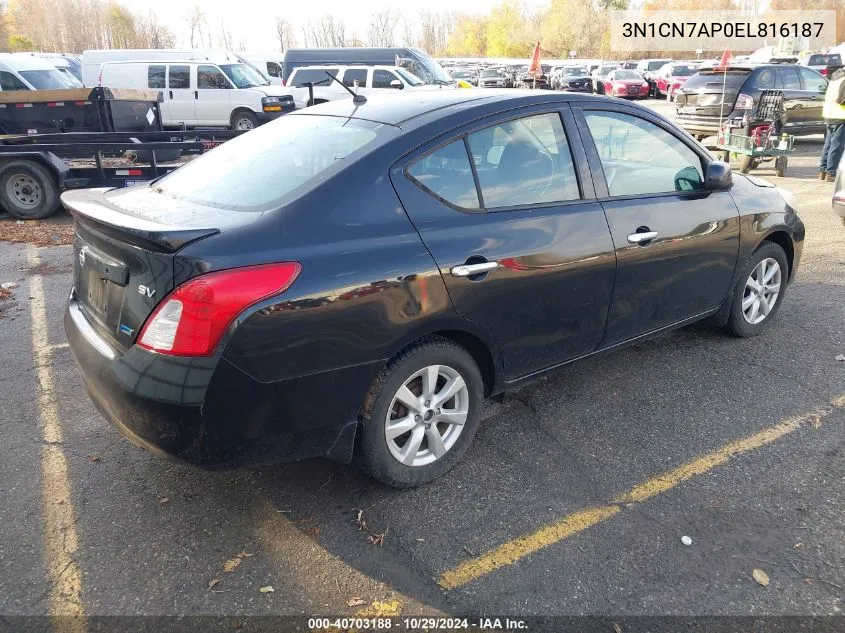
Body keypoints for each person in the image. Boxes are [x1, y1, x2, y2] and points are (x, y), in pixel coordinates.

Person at [819, 68, 845, 181]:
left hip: (829, 114)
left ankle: (823, 171)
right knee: (837, 145)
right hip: (840, 116)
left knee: (828, 144)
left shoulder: (836, 77)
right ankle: (831, 173)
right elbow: (841, 99)